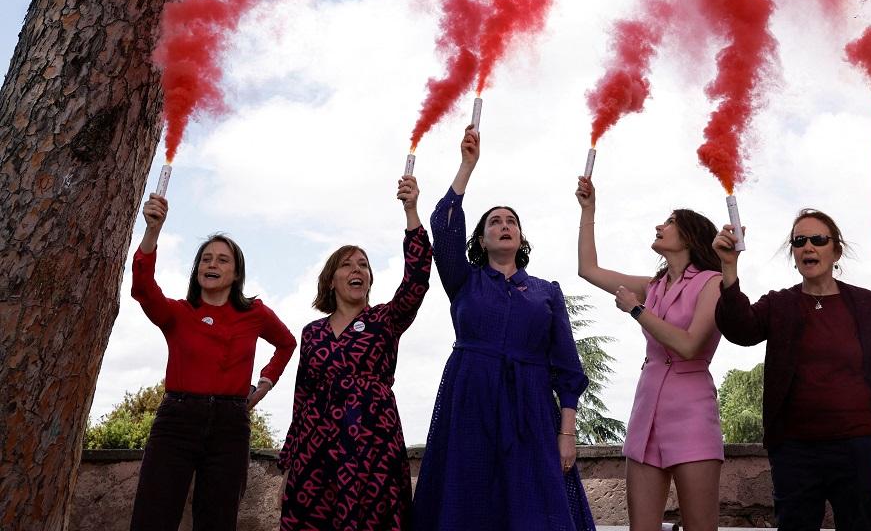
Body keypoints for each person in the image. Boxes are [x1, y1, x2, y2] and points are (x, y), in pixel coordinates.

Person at [412, 126, 595, 531]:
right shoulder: (464, 280)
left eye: (511, 221)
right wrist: (467, 165)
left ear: (521, 236)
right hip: (470, 402)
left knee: (532, 507)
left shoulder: (547, 293)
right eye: (494, 222)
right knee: (469, 503)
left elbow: (567, 370)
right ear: (480, 238)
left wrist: (567, 433)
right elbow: (442, 225)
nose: (504, 225)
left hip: (530, 410)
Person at [714, 208, 871, 531]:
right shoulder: (780, 304)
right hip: (794, 451)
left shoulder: (865, 305)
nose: (808, 247)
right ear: (793, 253)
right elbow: (740, 329)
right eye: (799, 241)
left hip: (858, 450)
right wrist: (729, 267)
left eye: (818, 239)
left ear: (836, 251)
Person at [129, 193, 296, 531]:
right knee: (153, 516)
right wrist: (152, 232)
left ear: (236, 274)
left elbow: (286, 343)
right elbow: (143, 287)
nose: (212, 265)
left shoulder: (255, 313)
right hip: (176, 421)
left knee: (217, 520)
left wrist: (264, 383)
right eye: (206, 259)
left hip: (230, 426)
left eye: (222, 260)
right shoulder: (178, 313)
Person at [277, 174, 433, 530]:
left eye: (363, 264)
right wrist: (291, 459)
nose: (357, 269)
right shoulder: (312, 333)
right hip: (317, 449)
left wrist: (411, 210)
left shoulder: (385, 320)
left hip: (373, 444)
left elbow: (417, 280)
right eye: (347, 264)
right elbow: (302, 397)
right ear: (331, 279)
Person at [575, 177, 724, 531]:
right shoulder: (652, 286)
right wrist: (588, 210)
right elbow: (588, 269)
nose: (660, 225)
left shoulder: (713, 283)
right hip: (646, 415)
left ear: (689, 235)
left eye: (670, 222)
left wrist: (637, 311)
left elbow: (690, 345)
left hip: (692, 415)